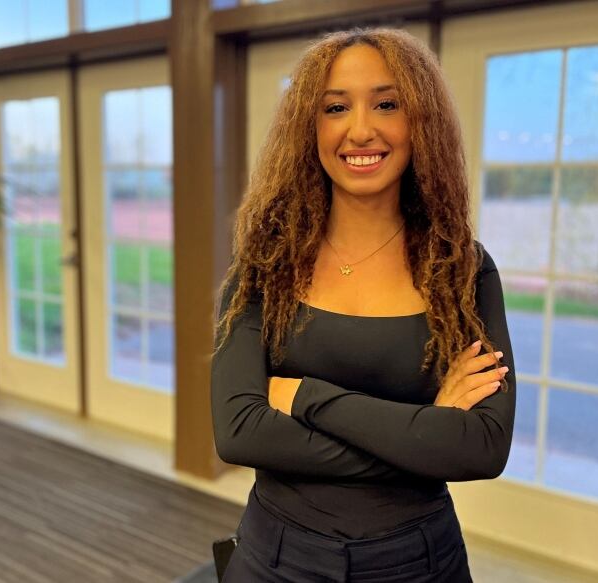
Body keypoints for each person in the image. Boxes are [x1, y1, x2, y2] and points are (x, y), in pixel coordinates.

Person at [210, 26, 515, 582]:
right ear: (309, 126)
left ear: (419, 121)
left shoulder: (462, 270)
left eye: (387, 103)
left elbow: (483, 448)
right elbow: (239, 431)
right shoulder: (265, 266)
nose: (360, 130)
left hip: (419, 561)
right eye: (334, 108)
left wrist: (307, 396)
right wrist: (426, 433)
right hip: (276, 558)